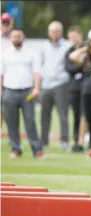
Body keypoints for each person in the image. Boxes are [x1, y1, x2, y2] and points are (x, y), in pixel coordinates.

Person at [1, 28, 44, 159]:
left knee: (30, 121)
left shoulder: (31, 53)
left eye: (18, 36)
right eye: (14, 36)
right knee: (11, 122)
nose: (16, 38)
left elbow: (36, 72)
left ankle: (37, 150)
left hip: (27, 91)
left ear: (23, 37)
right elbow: (1, 75)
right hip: (9, 90)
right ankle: (16, 149)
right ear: (11, 39)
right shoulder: (5, 54)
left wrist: (36, 88)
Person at [40, 21, 72, 150]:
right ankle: (44, 142)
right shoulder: (44, 46)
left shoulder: (67, 46)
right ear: (49, 33)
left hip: (61, 83)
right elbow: (41, 64)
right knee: (44, 114)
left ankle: (64, 141)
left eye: (57, 30)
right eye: (52, 31)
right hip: (46, 84)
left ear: (61, 32)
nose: (54, 33)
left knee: (63, 114)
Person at [65, 25, 87, 153]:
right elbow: (68, 67)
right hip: (74, 87)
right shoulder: (69, 51)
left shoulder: (87, 47)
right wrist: (79, 66)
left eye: (75, 35)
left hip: (85, 85)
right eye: (71, 36)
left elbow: (86, 66)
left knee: (85, 115)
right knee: (76, 114)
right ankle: (75, 140)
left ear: (80, 34)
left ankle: (83, 141)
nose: (73, 38)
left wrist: (78, 65)